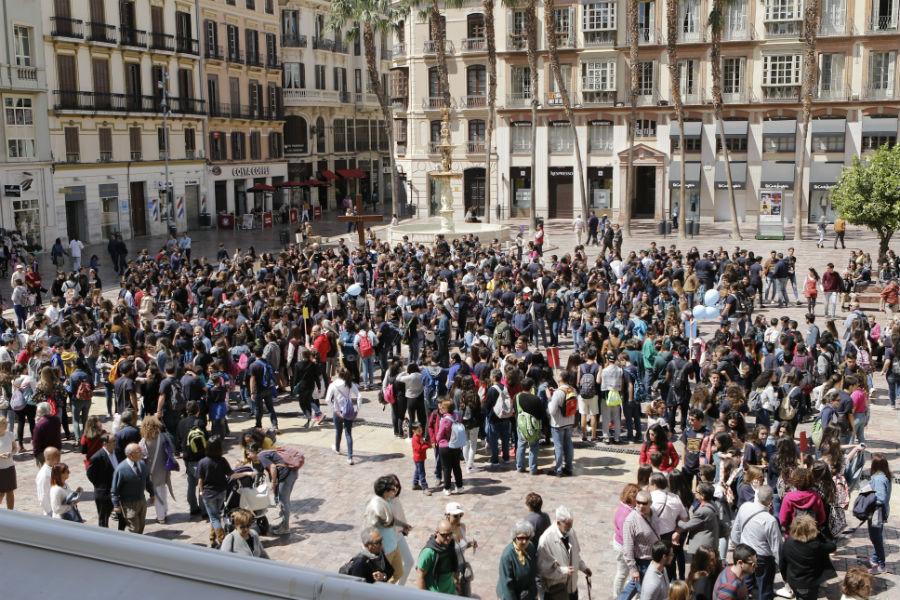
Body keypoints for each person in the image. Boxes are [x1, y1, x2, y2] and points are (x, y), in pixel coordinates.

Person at [730, 485, 782, 600]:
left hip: (745, 553)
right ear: (770, 501)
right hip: (763, 559)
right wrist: (782, 566)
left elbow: (735, 530)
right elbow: (776, 547)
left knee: (745, 586)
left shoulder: (745, 507)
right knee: (764, 590)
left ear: (757, 496)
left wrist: (737, 546)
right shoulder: (770, 520)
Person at [537, 505, 592, 600]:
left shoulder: (570, 531)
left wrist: (583, 567)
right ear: (558, 522)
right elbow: (543, 571)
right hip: (557, 592)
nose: (570, 528)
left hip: (572, 588)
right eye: (567, 526)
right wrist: (563, 571)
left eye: (571, 525)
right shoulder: (546, 540)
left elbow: (575, 555)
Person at [778, 514, 836, 600]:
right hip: (809, 583)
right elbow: (832, 546)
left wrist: (785, 578)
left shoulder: (788, 542)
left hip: (793, 580)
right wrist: (820, 535)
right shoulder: (815, 545)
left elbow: (782, 563)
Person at [618, 490, 662, 600]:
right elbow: (627, 547)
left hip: (654, 558)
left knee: (635, 586)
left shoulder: (654, 512)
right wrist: (633, 569)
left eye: (644, 503)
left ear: (650, 503)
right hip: (642, 562)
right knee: (644, 590)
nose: (640, 506)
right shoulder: (630, 521)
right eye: (638, 503)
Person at [248, 444, 299, 535]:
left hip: (287, 475)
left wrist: (273, 482)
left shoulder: (261, 456)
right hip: (291, 473)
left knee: (284, 502)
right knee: (284, 500)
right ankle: (284, 524)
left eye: (249, 453)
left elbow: (273, 467)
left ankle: (285, 528)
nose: (248, 456)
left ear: (254, 452)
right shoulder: (264, 453)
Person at [364, 475, 405, 584]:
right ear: (386, 491)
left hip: (393, 545)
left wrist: (402, 524)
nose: (395, 490)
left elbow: (391, 520)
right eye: (392, 488)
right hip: (385, 550)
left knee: (399, 572)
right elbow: (373, 526)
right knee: (384, 578)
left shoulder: (386, 502)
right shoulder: (376, 505)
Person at [110, 442, 155, 534]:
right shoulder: (121, 469)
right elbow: (114, 490)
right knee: (134, 528)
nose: (142, 453)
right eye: (139, 451)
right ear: (131, 455)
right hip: (128, 504)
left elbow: (147, 481)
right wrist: (116, 505)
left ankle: (138, 542)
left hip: (141, 501)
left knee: (141, 525)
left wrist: (152, 493)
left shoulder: (142, 464)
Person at [197, 435, 232, 548]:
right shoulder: (222, 460)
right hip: (221, 492)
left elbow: (200, 480)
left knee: (214, 517)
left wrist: (201, 492)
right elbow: (230, 474)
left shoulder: (202, 462)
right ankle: (212, 539)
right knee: (215, 515)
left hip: (208, 494)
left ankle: (222, 541)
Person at [138, 415, 173, 524]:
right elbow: (171, 450)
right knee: (163, 491)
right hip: (163, 470)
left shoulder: (143, 442)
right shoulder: (163, 437)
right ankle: (164, 512)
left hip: (151, 473)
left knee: (157, 495)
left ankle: (161, 517)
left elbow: (141, 458)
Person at [497, 520, 539, 600]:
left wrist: (534, 592)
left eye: (527, 538)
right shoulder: (507, 556)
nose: (524, 541)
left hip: (526, 595)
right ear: (515, 537)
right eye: (521, 538)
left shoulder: (530, 547)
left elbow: (533, 572)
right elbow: (507, 585)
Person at [86, 433, 120, 529]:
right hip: (104, 493)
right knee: (103, 519)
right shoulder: (97, 457)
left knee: (120, 516)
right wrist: (100, 485)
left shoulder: (117, 452)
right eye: (113, 441)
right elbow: (90, 474)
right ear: (105, 443)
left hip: (117, 491)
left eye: (115, 441)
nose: (115, 443)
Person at [415, 519, 459, 594]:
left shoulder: (450, 544)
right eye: (444, 535)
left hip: (451, 591)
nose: (448, 538)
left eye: (450, 534)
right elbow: (420, 576)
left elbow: (453, 565)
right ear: (436, 533)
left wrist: (456, 582)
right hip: (436, 594)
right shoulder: (429, 552)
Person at [326, 367, 359, 465]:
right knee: (348, 433)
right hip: (348, 411)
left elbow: (327, 400)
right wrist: (357, 409)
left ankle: (337, 448)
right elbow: (359, 396)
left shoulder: (333, 385)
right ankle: (350, 457)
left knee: (338, 431)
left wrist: (335, 410)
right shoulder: (349, 383)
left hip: (338, 411)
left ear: (337, 374)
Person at [547, 370, 577, 476]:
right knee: (568, 444)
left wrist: (549, 398)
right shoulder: (572, 389)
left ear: (560, 378)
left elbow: (552, 410)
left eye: (558, 374)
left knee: (558, 446)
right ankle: (569, 468)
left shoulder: (558, 393)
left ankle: (558, 469)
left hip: (558, 423)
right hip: (569, 421)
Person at [613, 484, 640, 599]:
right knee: (623, 573)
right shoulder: (627, 514)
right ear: (633, 498)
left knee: (622, 573)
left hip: (619, 544)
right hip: (624, 547)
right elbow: (627, 537)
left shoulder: (622, 507)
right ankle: (618, 596)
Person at [866, 453, 891, 574]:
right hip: (880, 512)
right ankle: (875, 559)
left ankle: (881, 565)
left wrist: (866, 496)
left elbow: (880, 498)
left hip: (876, 512)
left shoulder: (878, 479)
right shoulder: (884, 476)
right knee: (877, 536)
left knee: (876, 538)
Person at [35, 446, 60, 516]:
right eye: (56, 458)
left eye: (59, 457)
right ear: (48, 458)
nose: (59, 460)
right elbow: (42, 497)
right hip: (53, 512)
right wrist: (51, 513)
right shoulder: (44, 475)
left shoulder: (54, 468)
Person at [0, 415, 18, 509]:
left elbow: (15, 448)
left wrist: (11, 454)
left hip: (10, 467)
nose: (6, 425)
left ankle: (11, 512)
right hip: (0, 469)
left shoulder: (10, 434)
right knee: (1, 492)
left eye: (5, 423)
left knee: (10, 491)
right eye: (3, 424)